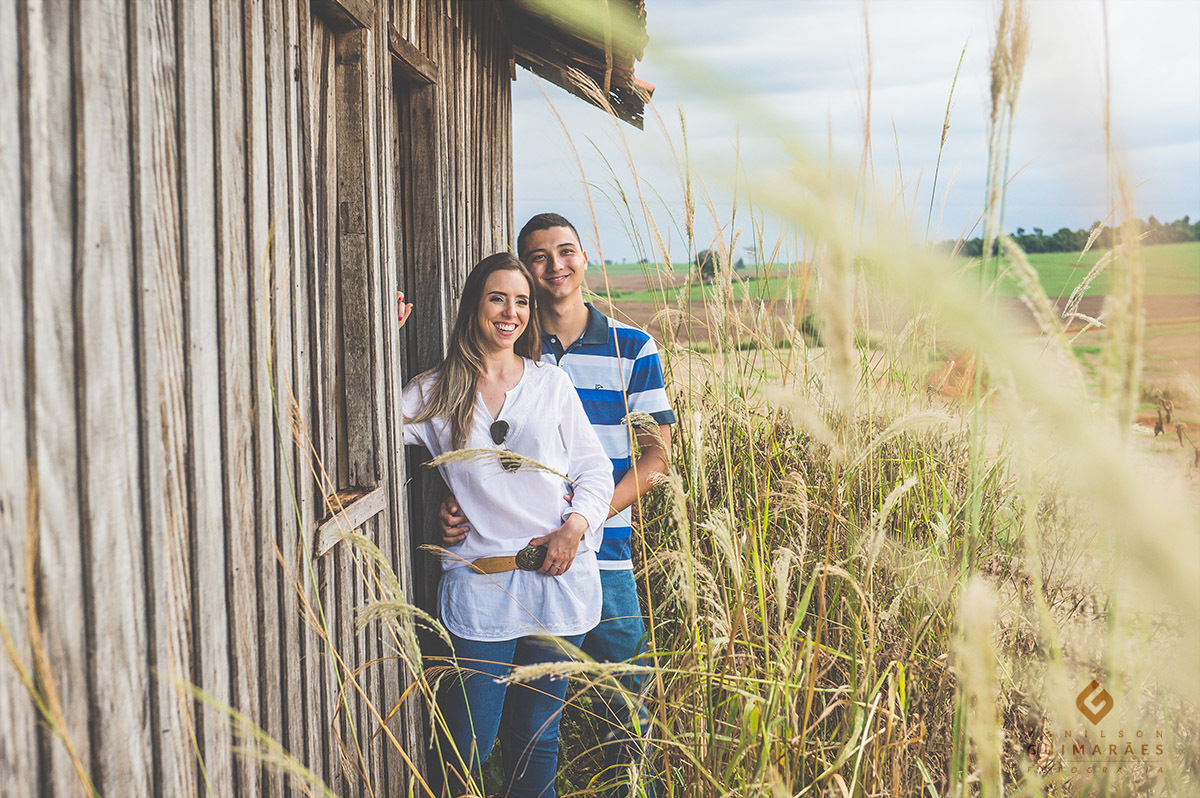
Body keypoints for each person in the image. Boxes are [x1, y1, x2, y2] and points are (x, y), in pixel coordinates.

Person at [440, 214, 676, 796]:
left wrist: (579, 524)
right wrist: (449, 492)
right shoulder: (512, 347)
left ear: (584, 258)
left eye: (565, 252)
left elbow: (656, 459)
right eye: (538, 258)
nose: (554, 266)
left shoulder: (631, 346)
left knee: (623, 700)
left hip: (602, 554)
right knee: (489, 733)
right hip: (501, 565)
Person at [400, 252, 614, 798]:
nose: (510, 312)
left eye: (522, 301)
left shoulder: (551, 385)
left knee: (537, 741)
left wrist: (575, 527)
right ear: (475, 305)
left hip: (557, 581)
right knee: (467, 744)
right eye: (498, 297)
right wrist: (379, 342)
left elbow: (594, 469)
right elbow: (364, 423)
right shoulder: (435, 391)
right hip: (482, 586)